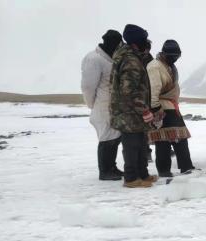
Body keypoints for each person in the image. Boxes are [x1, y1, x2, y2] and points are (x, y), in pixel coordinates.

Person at [109, 24, 158, 188]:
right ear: (136, 43)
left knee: (142, 142)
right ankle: (131, 178)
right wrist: (144, 110)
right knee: (132, 145)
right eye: (144, 41)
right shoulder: (130, 61)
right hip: (128, 112)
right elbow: (129, 91)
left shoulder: (134, 57)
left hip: (134, 112)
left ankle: (142, 174)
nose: (147, 43)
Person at [147, 39, 195, 178]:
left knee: (180, 137)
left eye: (177, 56)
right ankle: (164, 170)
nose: (175, 59)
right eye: (173, 56)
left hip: (171, 106)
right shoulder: (155, 66)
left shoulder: (168, 66)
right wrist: (156, 108)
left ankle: (185, 166)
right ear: (165, 54)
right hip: (161, 107)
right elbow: (154, 89)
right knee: (163, 140)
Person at [81, 30, 124, 181]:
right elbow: (87, 86)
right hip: (102, 105)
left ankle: (112, 166)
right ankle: (104, 171)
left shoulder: (110, 59)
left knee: (114, 136)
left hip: (113, 105)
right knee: (106, 138)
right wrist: (92, 104)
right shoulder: (94, 59)